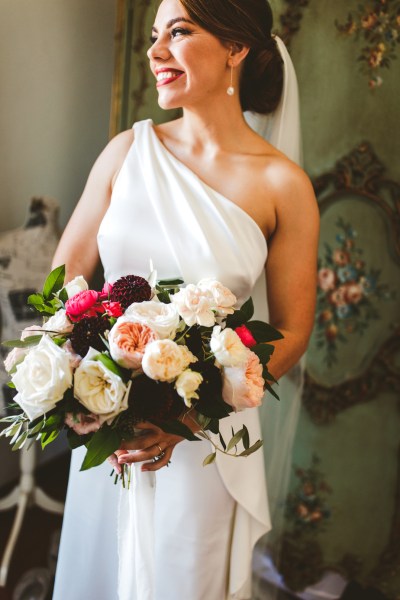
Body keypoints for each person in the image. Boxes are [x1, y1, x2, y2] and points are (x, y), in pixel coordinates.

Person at [52, 0, 319, 598]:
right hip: (109, 425)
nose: (155, 51)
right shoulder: (126, 151)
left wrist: (191, 416)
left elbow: (295, 331)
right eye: (154, 35)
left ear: (236, 47)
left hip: (205, 446)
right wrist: (82, 374)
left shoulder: (283, 185)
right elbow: (67, 274)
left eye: (179, 31)